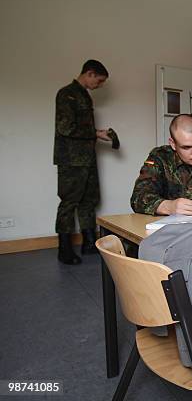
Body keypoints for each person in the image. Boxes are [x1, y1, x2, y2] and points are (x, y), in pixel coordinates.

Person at [54, 59, 112, 265]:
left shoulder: (84, 96)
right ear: (89, 73)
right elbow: (65, 128)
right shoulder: (66, 94)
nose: (100, 85)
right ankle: (64, 248)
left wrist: (97, 134)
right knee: (69, 202)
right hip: (71, 159)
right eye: (99, 80)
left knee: (89, 200)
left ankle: (89, 243)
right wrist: (95, 133)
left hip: (86, 158)